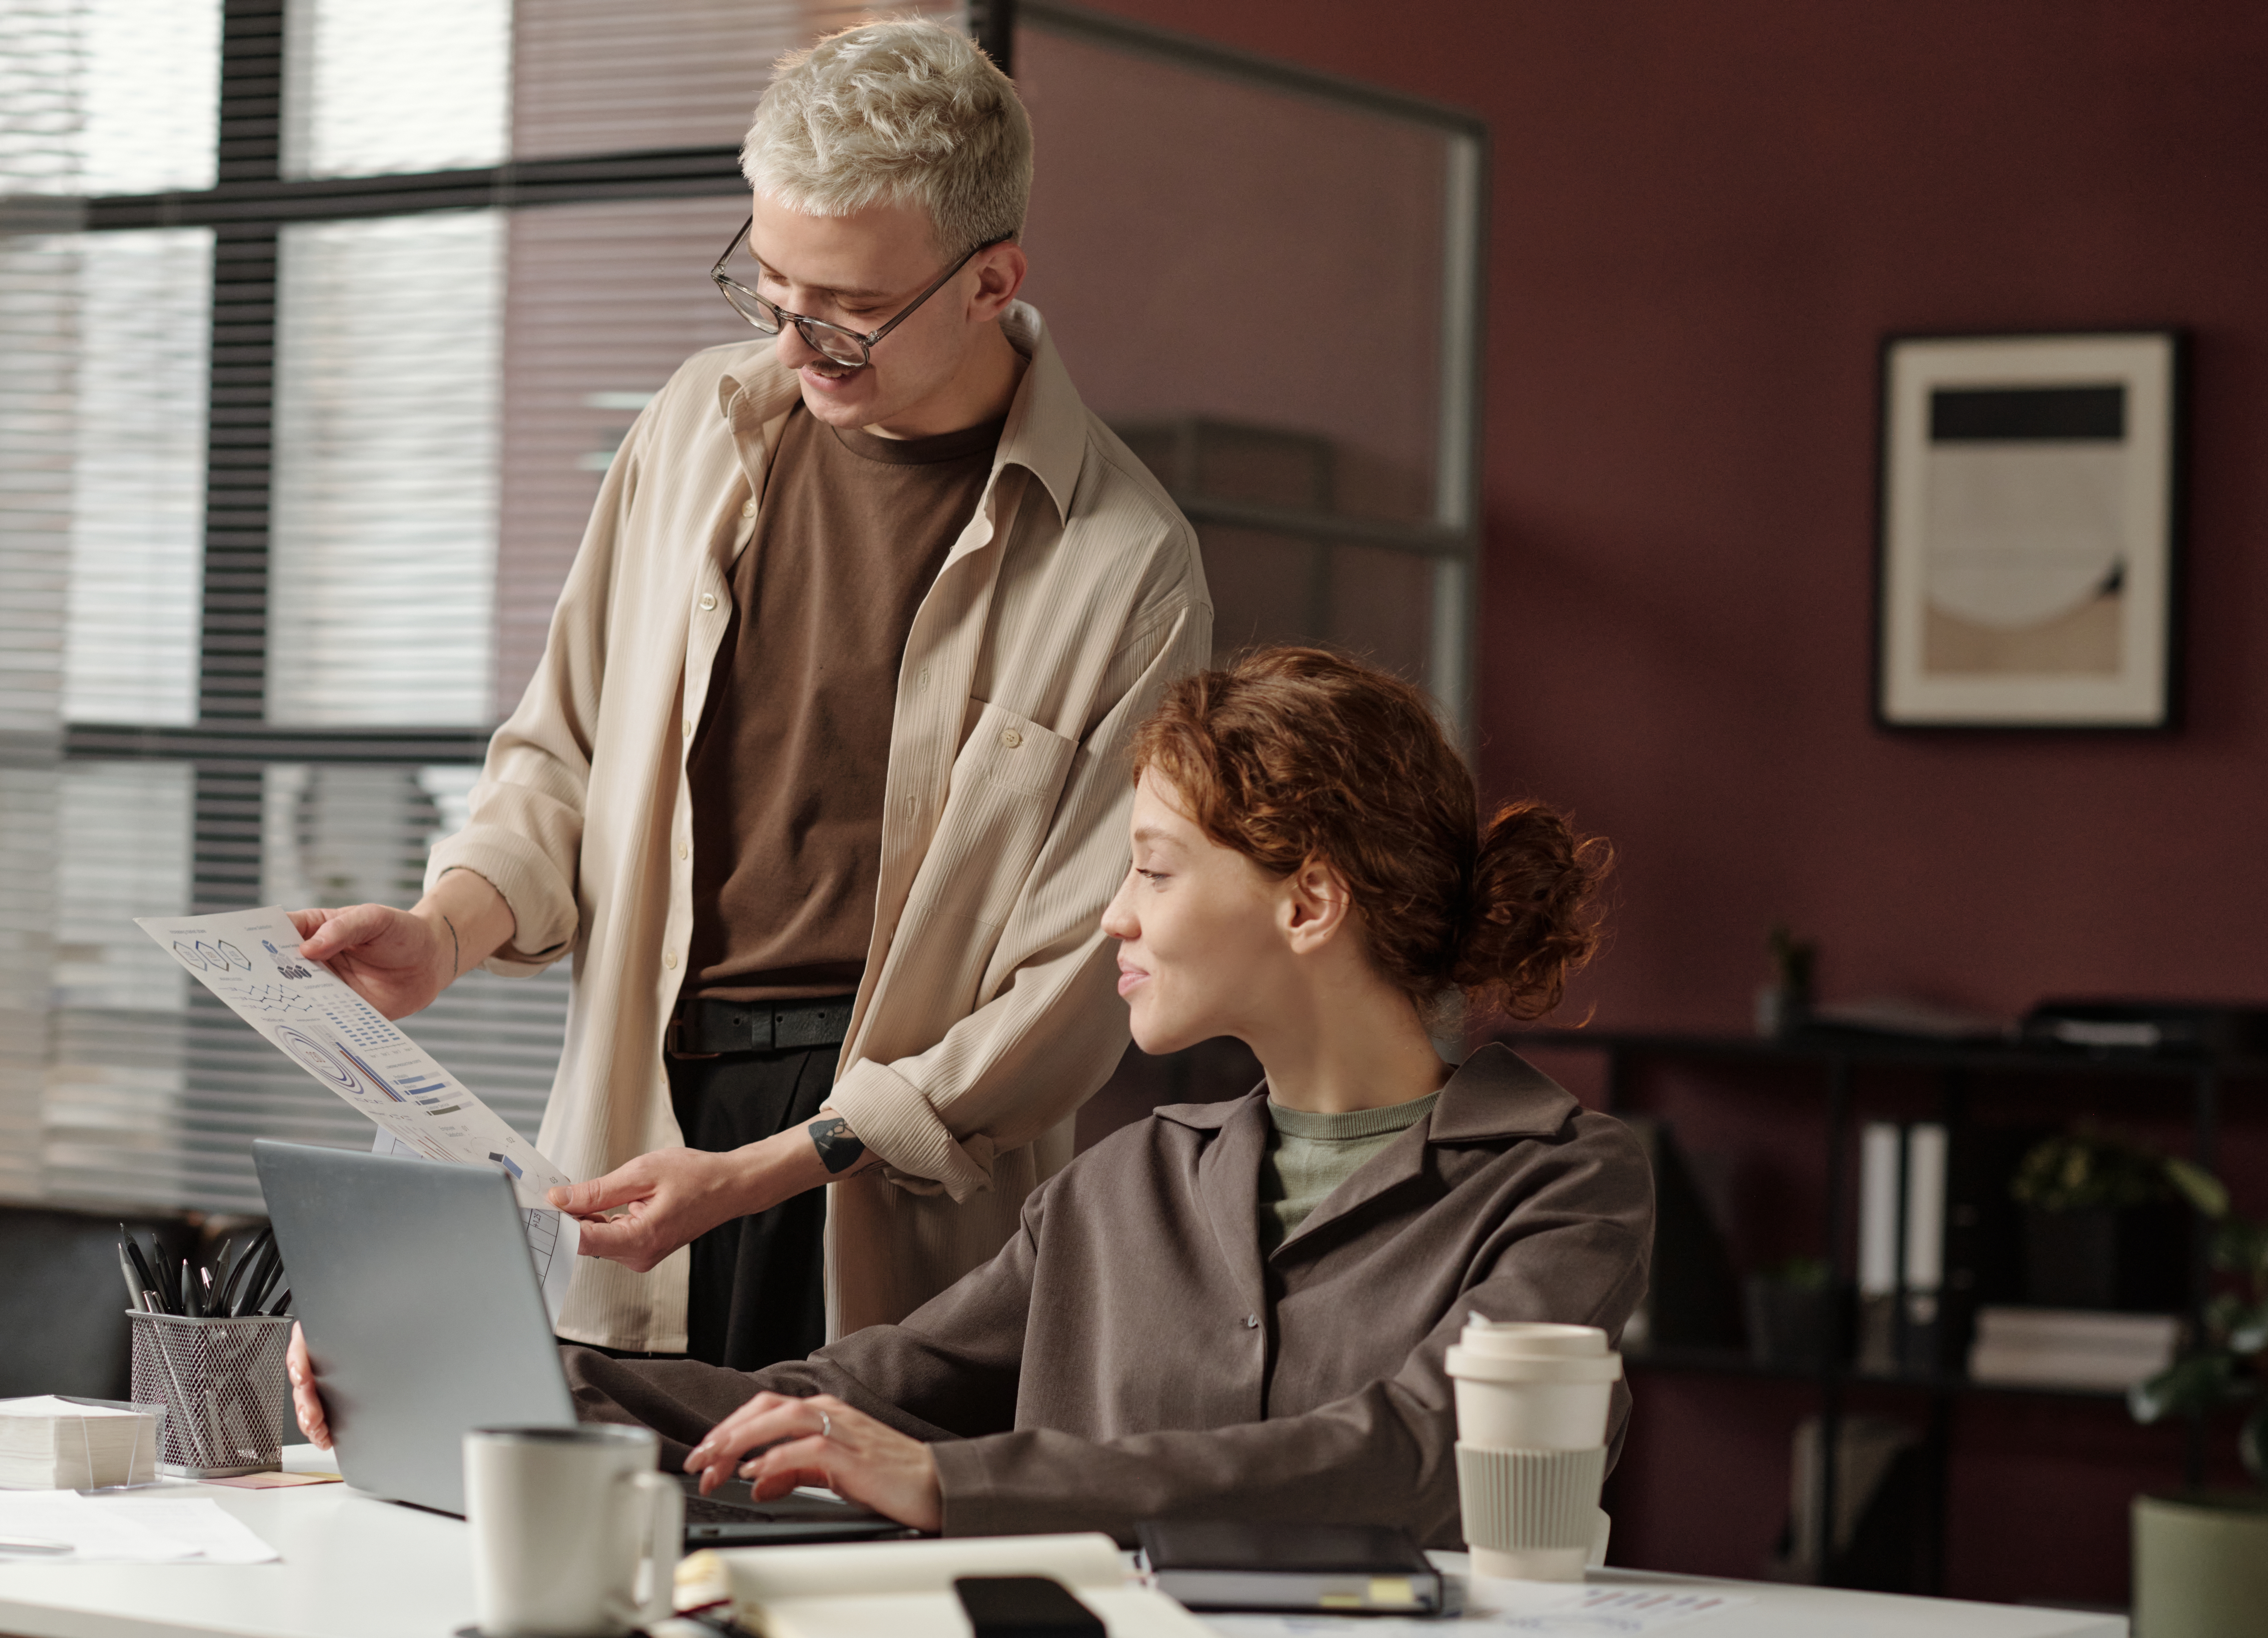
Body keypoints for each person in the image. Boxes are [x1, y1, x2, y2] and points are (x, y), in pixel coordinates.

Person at [281, 19, 1211, 1364]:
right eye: (769, 287)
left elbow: (1067, 996)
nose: (797, 342)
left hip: (877, 1172)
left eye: (845, 310)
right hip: (634, 1112)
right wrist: (446, 931)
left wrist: (782, 1161)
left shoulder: (1129, 565)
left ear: (988, 280)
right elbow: (562, 757)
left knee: (829, 1545)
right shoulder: (692, 425)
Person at [292, 647, 1651, 1544]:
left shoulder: (1563, 1183)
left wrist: (959, 1480)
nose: (1116, 914)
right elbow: (848, 1390)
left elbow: (1413, 1454)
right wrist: (507, 1377)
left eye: (1158, 870)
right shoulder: (1126, 1184)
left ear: (1306, 901)